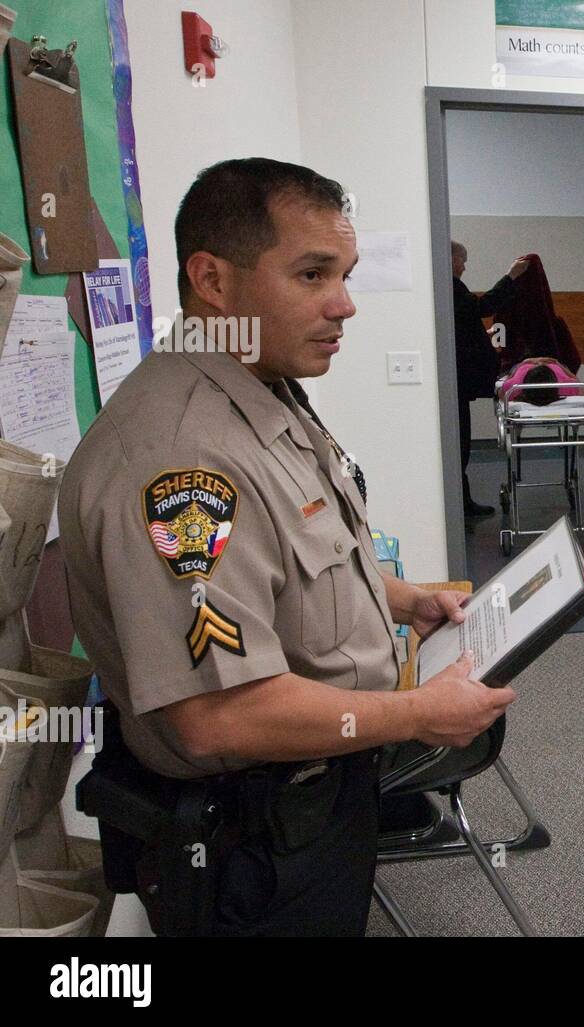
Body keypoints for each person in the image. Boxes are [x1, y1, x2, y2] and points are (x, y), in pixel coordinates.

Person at [60, 159, 516, 936]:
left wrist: (405, 600)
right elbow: (217, 716)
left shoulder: (260, 383)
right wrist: (415, 713)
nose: (344, 305)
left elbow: (297, 559)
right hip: (256, 834)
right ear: (213, 279)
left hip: (315, 790)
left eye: (345, 273)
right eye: (312, 274)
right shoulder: (181, 460)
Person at [452, 241, 528, 517]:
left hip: (460, 380)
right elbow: (484, 306)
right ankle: (462, 505)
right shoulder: (451, 287)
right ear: (451, 260)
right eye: (462, 260)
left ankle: (464, 502)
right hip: (457, 381)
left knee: (460, 443)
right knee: (458, 444)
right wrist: (511, 277)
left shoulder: (451, 288)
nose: (464, 266)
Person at [500, 355, 584, 407]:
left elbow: (502, 390)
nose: (539, 363)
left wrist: (523, 363)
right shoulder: (565, 385)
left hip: (524, 366)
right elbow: (581, 388)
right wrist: (558, 364)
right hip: (553, 366)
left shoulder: (515, 387)